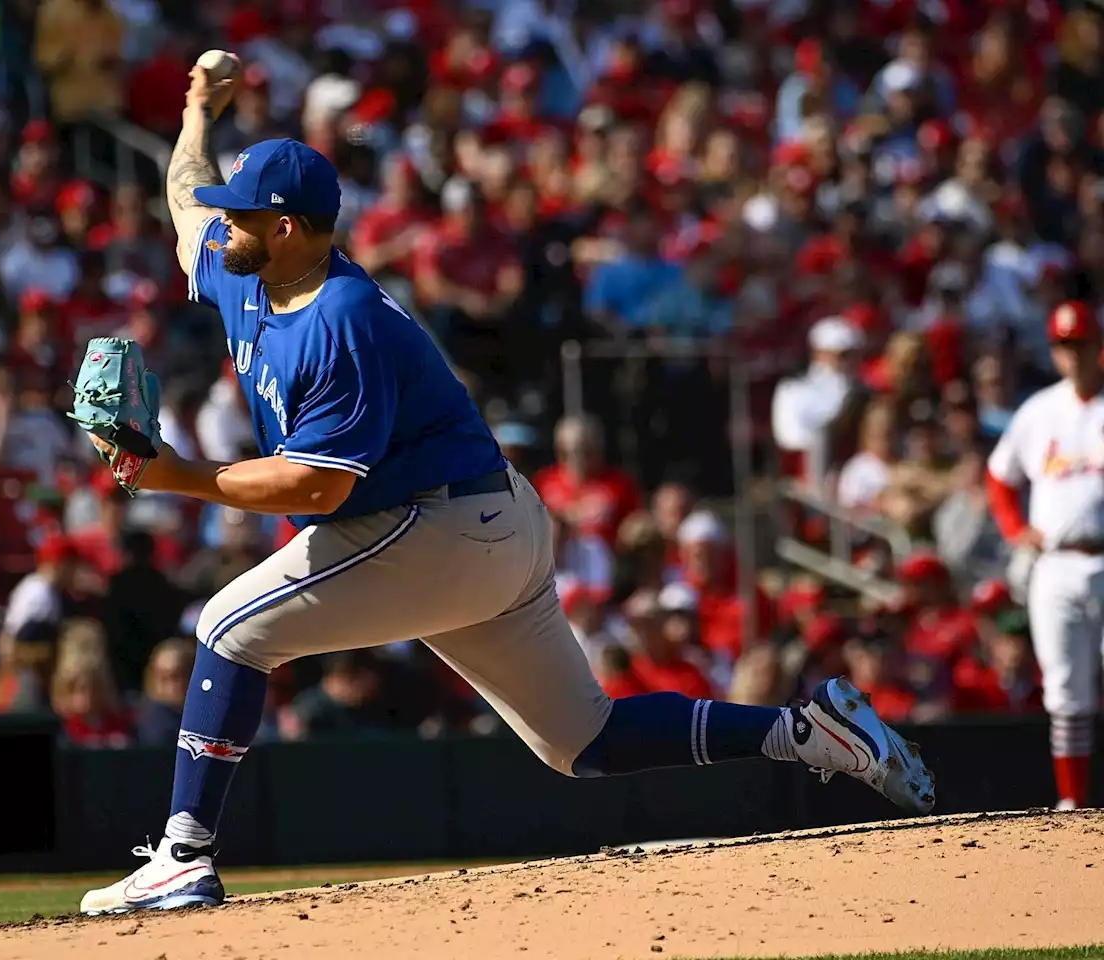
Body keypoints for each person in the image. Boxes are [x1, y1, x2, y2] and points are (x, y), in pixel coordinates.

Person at [77, 57, 934, 916]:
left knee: (228, 627)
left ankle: (184, 855)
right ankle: (808, 730)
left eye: (244, 216)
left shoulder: (344, 319)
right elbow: (188, 197)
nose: (222, 229)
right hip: (488, 523)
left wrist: (174, 476)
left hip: (437, 525)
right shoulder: (242, 269)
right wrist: (195, 113)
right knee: (584, 741)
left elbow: (316, 488)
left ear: (292, 228)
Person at [986, 300, 1104, 810]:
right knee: (1064, 688)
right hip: (1055, 564)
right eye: (1063, 345)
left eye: (1079, 344)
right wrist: (1014, 528)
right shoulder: (1039, 412)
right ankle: (1073, 801)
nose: (1071, 354)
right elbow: (998, 476)